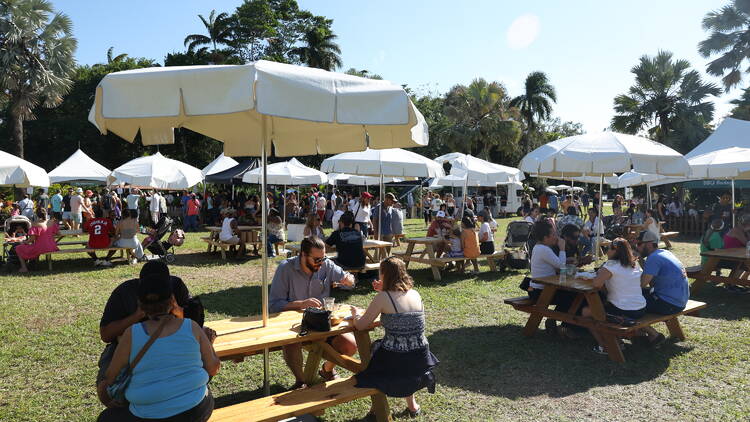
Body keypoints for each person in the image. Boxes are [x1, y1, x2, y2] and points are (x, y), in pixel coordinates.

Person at [96, 266, 219, 421]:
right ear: (171, 299)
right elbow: (213, 368)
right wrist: (137, 315)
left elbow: (109, 381)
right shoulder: (191, 327)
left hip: (148, 414)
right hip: (197, 409)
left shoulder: (132, 334)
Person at [351, 257, 439, 418]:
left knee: (374, 351)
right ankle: (412, 406)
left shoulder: (383, 297)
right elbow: (402, 312)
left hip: (397, 358)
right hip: (420, 355)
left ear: (383, 274)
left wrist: (355, 315)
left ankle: (377, 408)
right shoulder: (415, 293)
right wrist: (383, 291)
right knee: (399, 355)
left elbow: (361, 326)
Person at [269, 237, 356, 388]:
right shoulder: (286, 268)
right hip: (294, 325)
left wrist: (349, 280)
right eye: (316, 259)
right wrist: (301, 304)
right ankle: (301, 381)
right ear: (303, 254)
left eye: (323, 258)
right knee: (291, 342)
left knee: (350, 345)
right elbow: (274, 305)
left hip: (322, 321)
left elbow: (349, 280)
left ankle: (327, 370)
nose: (320, 263)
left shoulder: (326, 264)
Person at [583, 238, 646, 355]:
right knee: (605, 307)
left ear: (614, 251)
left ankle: (605, 345)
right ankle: (616, 339)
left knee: (587, 312)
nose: (606, 252)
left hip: (624, 310)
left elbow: (596, 284)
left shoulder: (611, 265)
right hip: (640, 308)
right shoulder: (635, 263)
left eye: (608, 249)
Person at [636, 231, 690, 347]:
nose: (637, 247)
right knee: (636, 298)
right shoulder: (664, 253)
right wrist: (640, 260)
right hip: (680, 301)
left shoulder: (653, 258)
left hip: (669, 304)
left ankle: (652, 334)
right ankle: (639, 332)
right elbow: (653, 282)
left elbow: (641, 284)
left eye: (639, 244)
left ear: (649, 244)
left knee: (624, 303)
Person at [528, 220, 579, 338]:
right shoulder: (544, 249)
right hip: (541, 291)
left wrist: (567, 260)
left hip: (539, 289)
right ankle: (564, 325)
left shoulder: (540, 247)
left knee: (570, 296)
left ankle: (557, 321)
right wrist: (562, 249)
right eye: (554, 234)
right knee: (572, 297)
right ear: (546, 237)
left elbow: (556, 262)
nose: (556, 237)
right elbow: (561, 266)